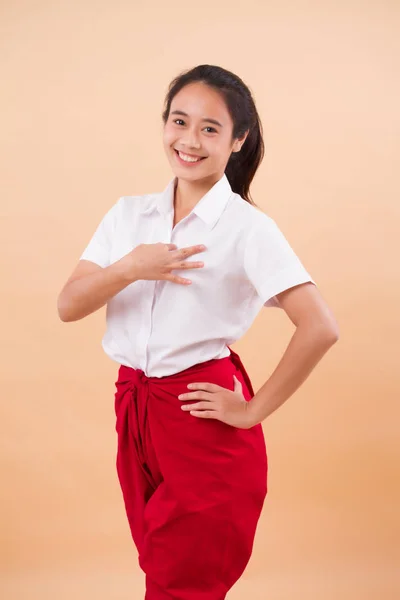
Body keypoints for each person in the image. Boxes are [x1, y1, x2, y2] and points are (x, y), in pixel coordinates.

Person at [57, 64, 339, 600]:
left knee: (184, 582)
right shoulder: (128, 216)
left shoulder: (247, 228)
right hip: (135, 407)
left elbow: (320, 326)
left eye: (210, 128)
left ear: (238, 140)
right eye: (179, 121)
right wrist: (129, 268)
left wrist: (252, 410)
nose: (189, 140)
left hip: (198, 415)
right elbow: (69, 305)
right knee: (161, 565)